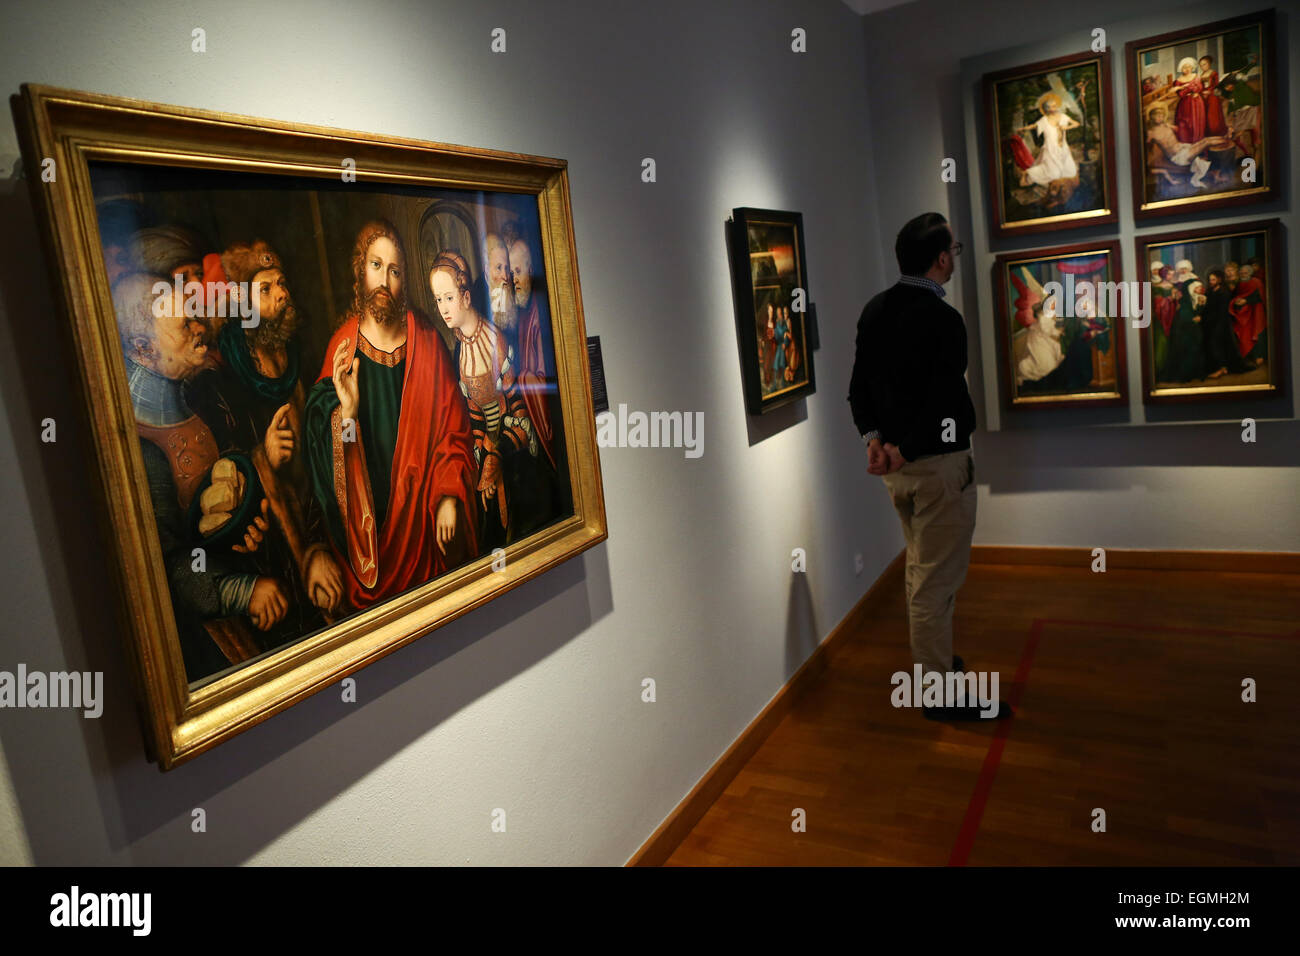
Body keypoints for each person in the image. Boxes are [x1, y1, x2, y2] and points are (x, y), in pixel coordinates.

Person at [848, 213, 1010, 721]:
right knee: (934, 584)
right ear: (941, 258)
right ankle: (938, 692)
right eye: (953, 251)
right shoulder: (943, 320)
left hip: (900, 470)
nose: (953, 258)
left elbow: (859, 390)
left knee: (924, 569)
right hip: (937, 468)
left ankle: (936, 667)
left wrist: (877, 442)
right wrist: (906, 448)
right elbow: (944, 402)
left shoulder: (876, 310)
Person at [113, 272, 286, 681]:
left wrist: (245, 521)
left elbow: (220, 489)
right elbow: (168, 566)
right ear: (143, 349)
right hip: (201, 636)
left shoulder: (194, 391)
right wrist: (244, 591)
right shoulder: (140, 447)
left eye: (194, 314)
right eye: (183, 323)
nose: (198, 327)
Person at [304, 219, 478, 610]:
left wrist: (448, 493)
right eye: (376, 266)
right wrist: (347, 415)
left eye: (395, 271)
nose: (385, 280)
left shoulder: (428, 342)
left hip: (424, 530)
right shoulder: (343, 349)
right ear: (360, 271)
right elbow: (327, 473)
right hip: (370, 547)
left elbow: (454, 432)